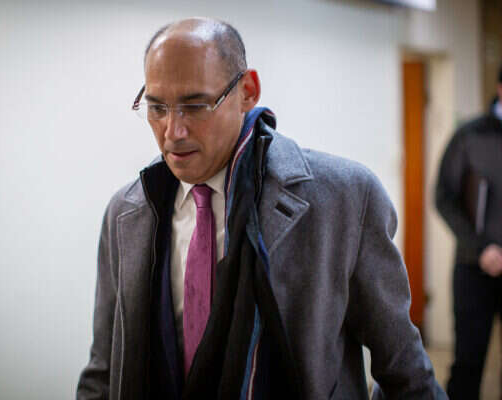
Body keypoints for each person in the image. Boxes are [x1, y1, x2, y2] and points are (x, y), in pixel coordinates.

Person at [77, 18, 445, 399]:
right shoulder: (127, 213)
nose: (173, 131)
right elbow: (104, 371)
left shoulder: (344, 199)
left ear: (247, 91)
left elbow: (404, 371)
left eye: (195, 106)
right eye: (157, 108)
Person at [435, 66, 502, 399]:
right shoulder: (469, 136)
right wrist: (482, 248)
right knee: (467, 365)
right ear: (500, 88)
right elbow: (443, 197)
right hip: (474, 267)